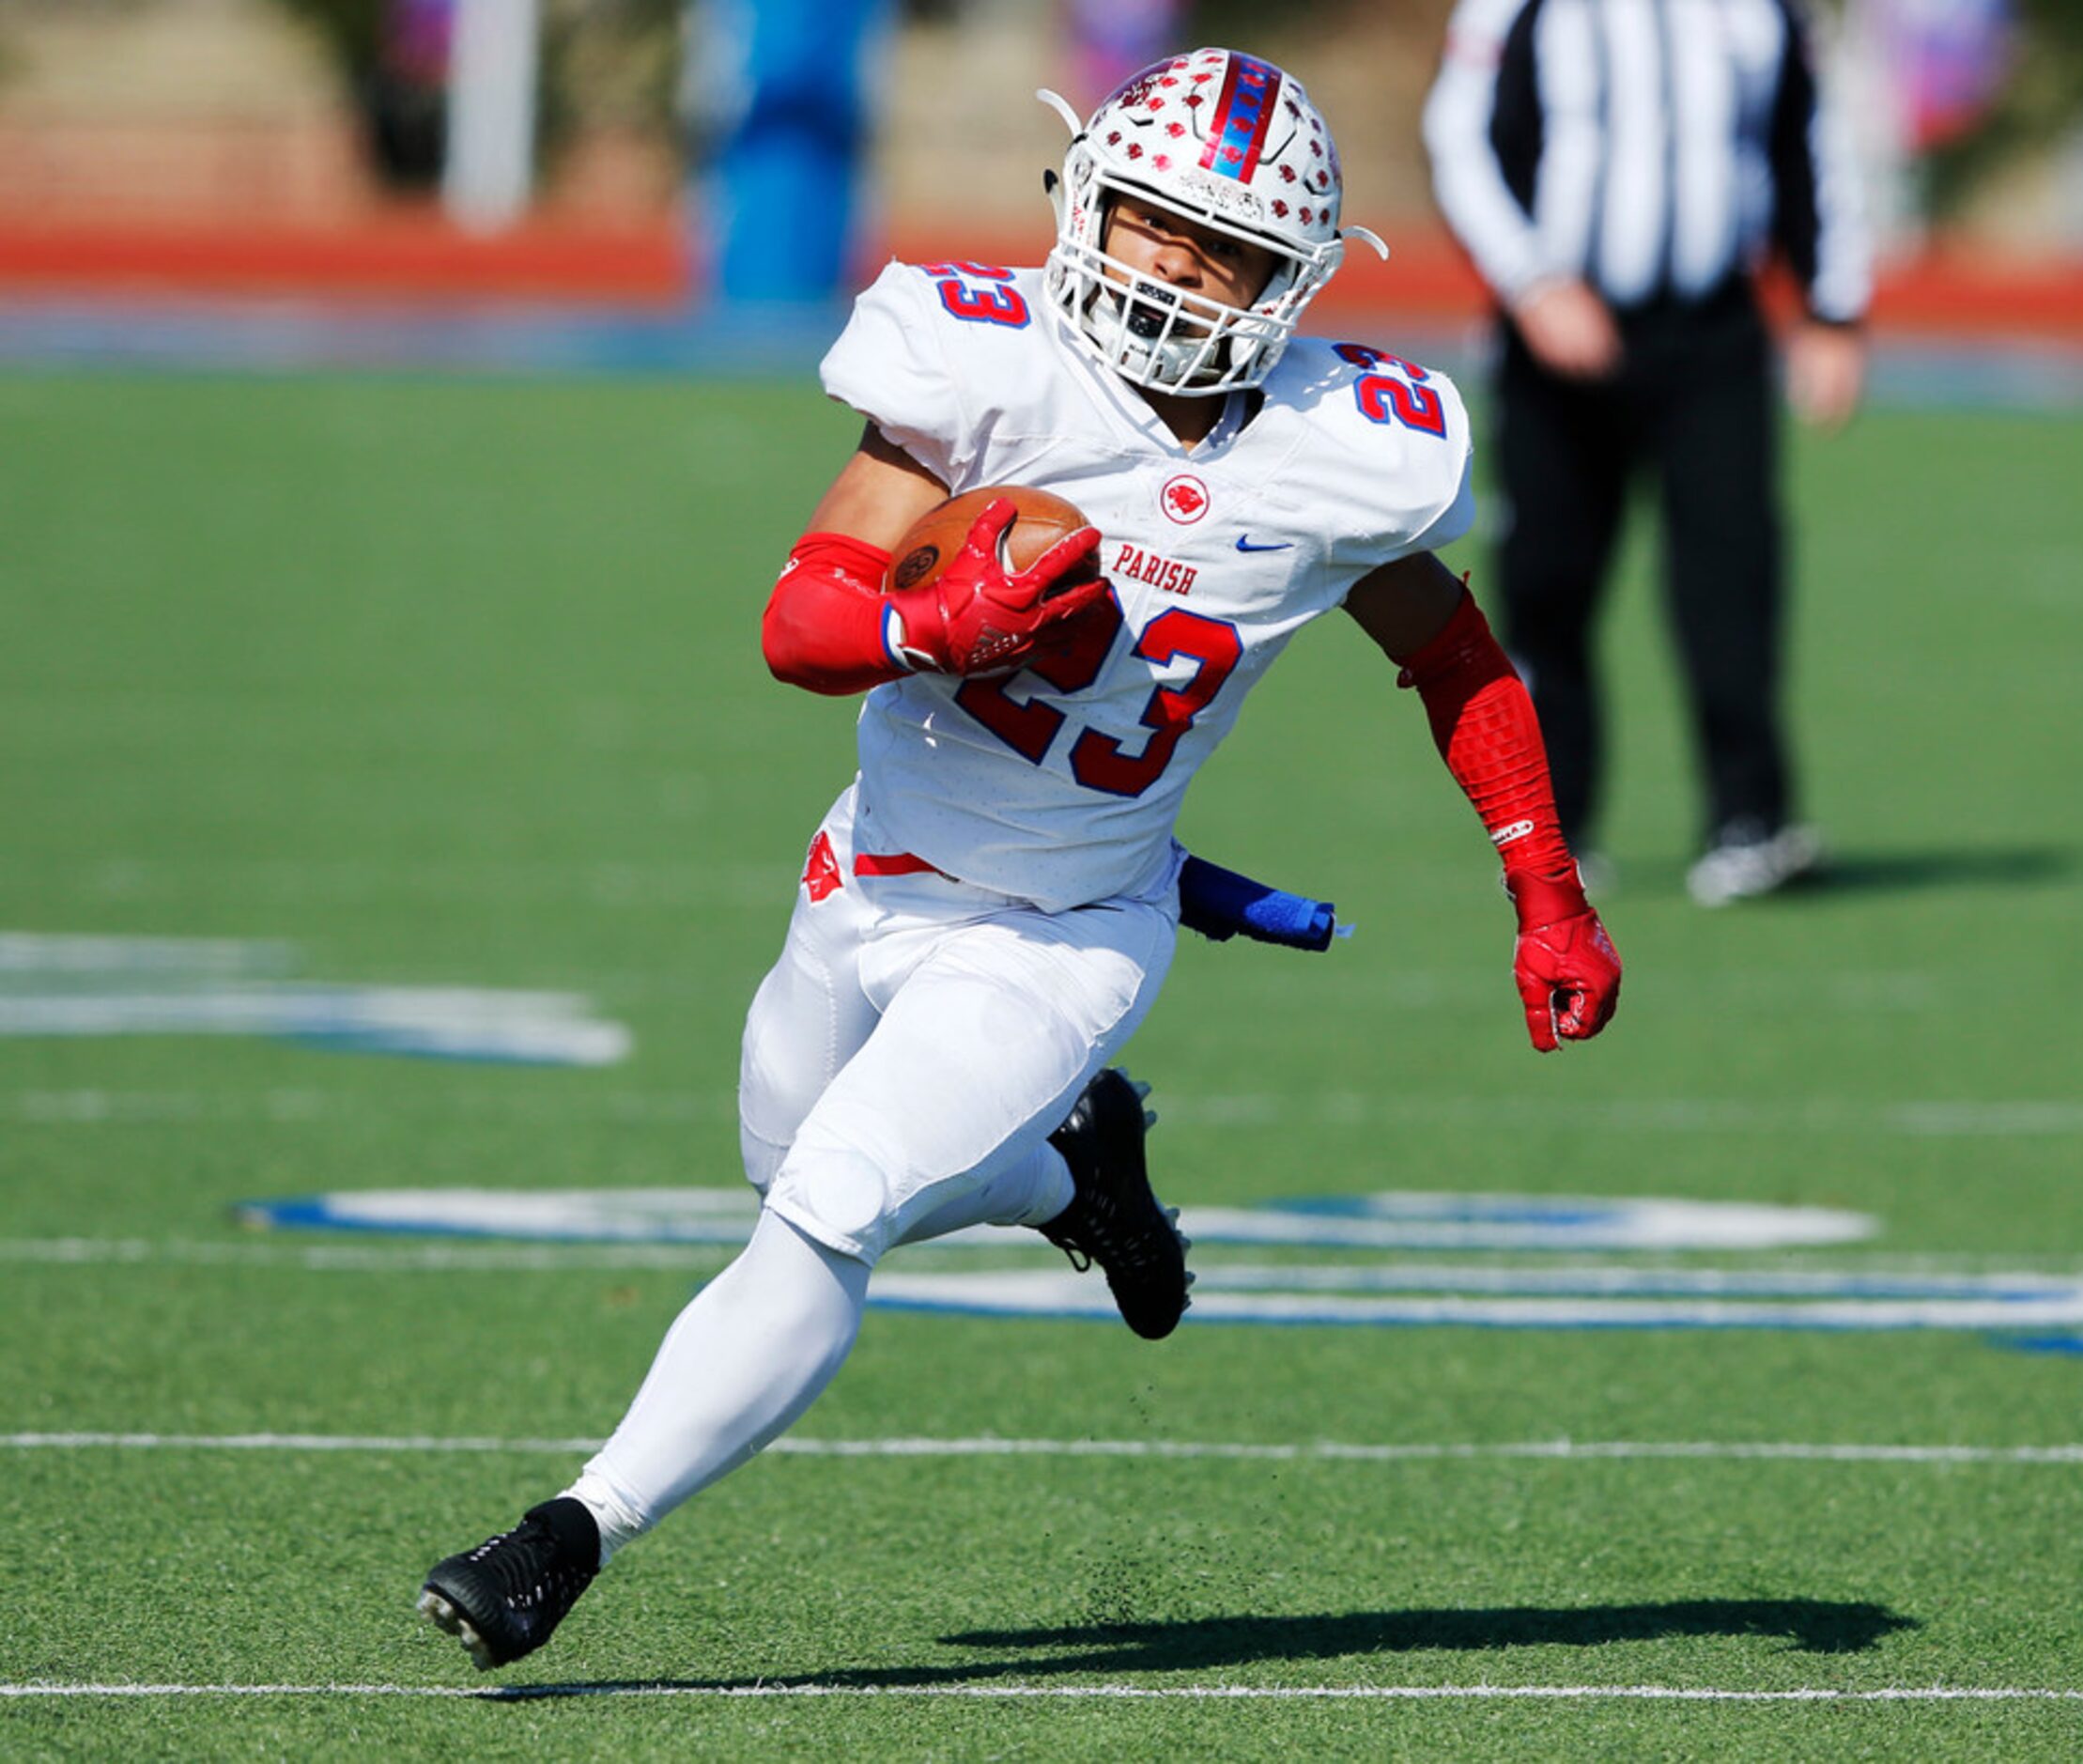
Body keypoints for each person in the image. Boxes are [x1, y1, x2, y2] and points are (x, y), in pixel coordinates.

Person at [415, 47, 1622, 1672]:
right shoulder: (989, 364)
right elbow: (805, 617)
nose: (1176, 274)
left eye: (1226, 252)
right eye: (1151, 227)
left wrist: (1547, 888)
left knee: (831, 1211)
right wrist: (932, 621)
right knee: (790, 1167)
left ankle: (571, 1530)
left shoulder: (1343, 443)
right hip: (873, 868)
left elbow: (1459, 660)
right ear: (1089, 206)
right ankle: (1079, 1175)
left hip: (1069, 927)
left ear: (1294, 282)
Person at [1422, 0, 1873, 905]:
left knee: (1732, 574)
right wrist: (1531, 280)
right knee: (1548, 583)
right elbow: (1460, 140)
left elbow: (1806, 139)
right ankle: (1553, 832)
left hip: (1713, 332)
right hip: (1558, 334)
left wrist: (1831, 306)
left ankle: (1750, 821)